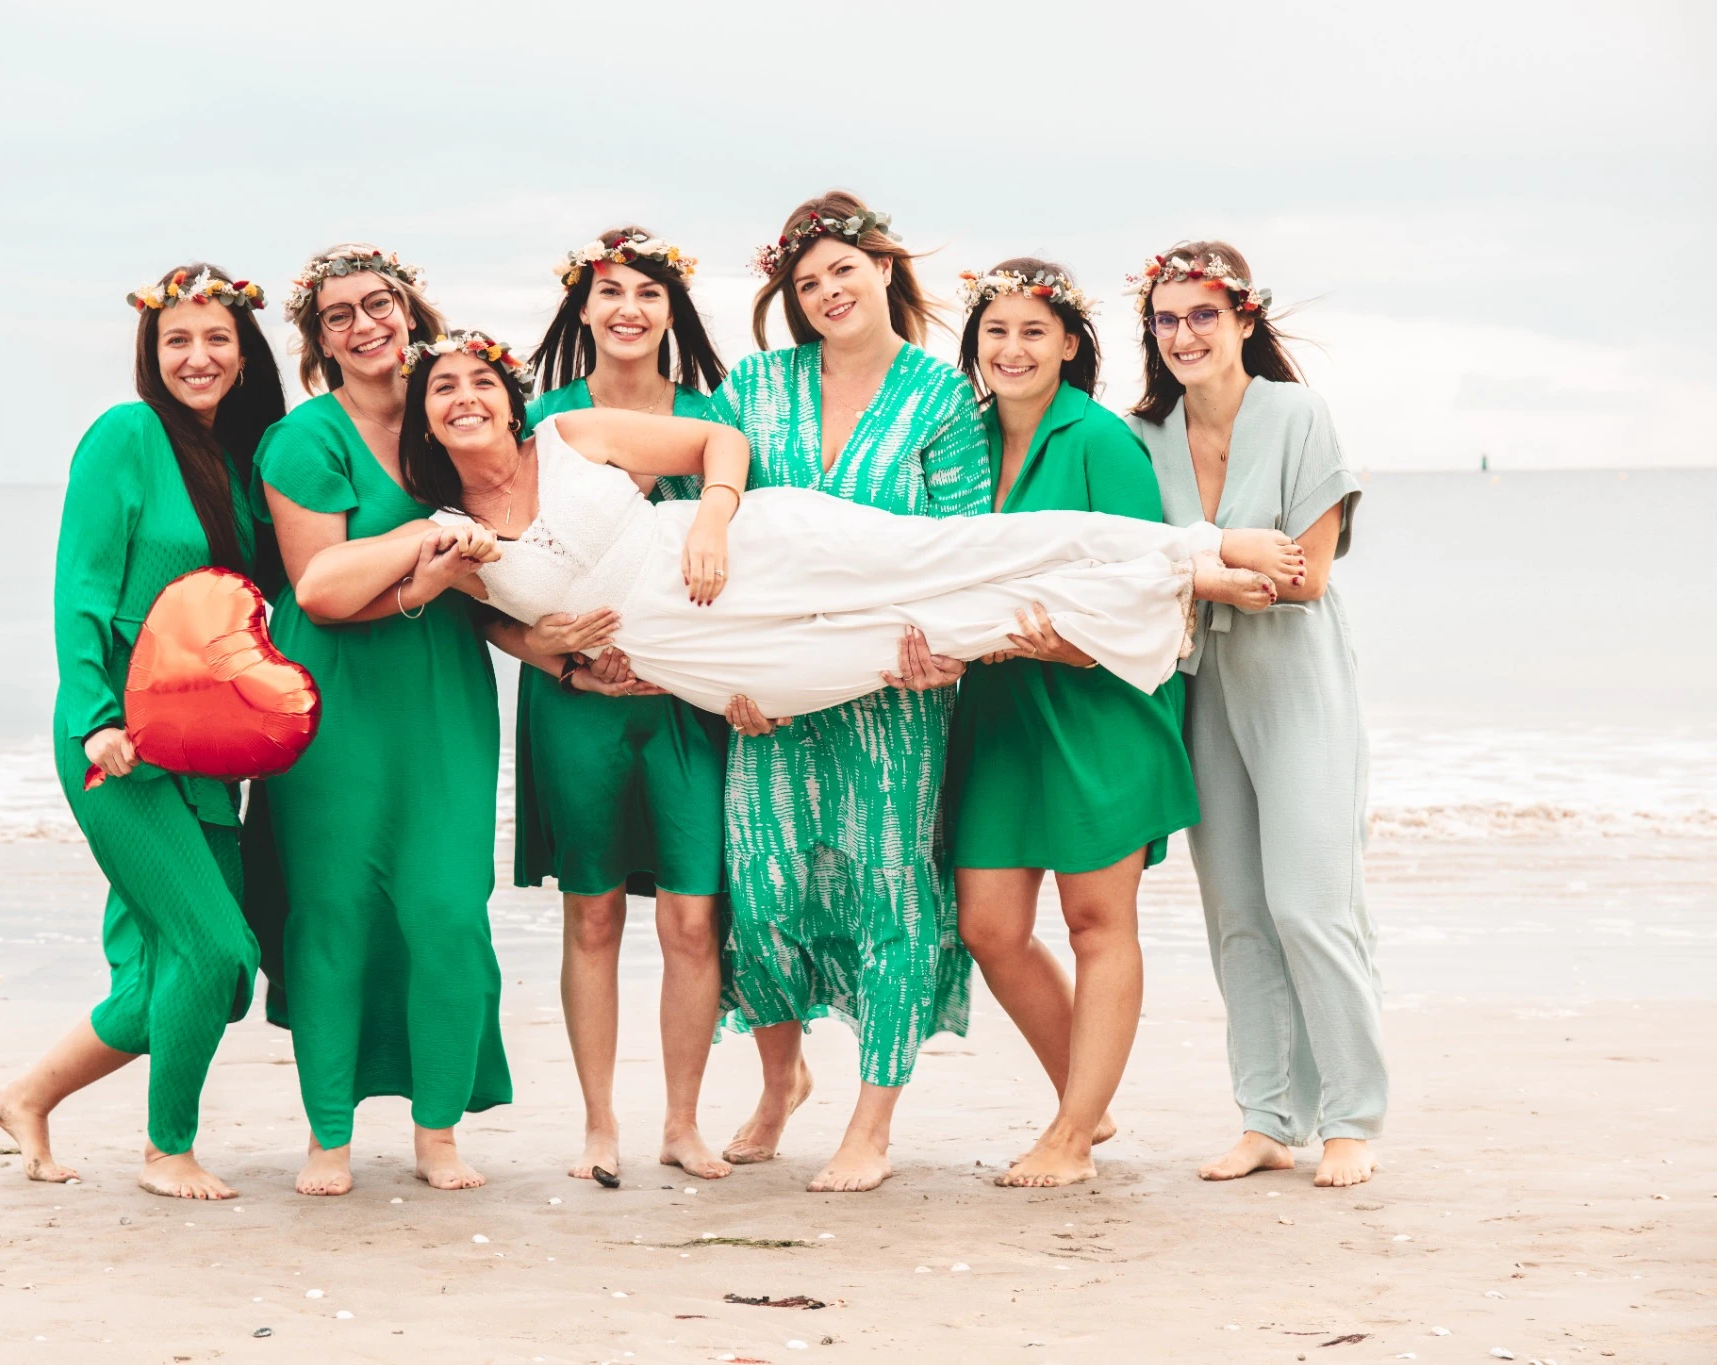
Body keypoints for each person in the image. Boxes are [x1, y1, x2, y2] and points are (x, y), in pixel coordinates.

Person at [334, 314, 1302, 1206]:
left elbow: (720, 445)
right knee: (928, 641)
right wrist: (561, 660)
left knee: (943, 564)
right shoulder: (451, 529)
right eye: (440, 389)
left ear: (510, 394)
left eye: (478, 381)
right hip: (706, 663)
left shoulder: (572, 437)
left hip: (742, 556)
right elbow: (454, 620)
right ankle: (1166, 598)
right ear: (422, 415)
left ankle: (1195, 557)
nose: (463, 398)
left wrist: (713, 516)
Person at [0, 264, 285, 1199]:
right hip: (120, 749)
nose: (197, 358)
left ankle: (26, 1095)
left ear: (244, 353)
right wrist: (94, 721)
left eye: (216, 339)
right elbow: (80, 591)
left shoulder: (241, 462)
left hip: (203, 747)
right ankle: (169, 1149)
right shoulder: (126, 435)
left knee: (201, 974)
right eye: (177, 342)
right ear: (152, 356)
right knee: (217, 950)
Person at [1125, 241, 1387, 1189]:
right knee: (1236, 910)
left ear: (1242, 319)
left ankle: (1354, 1117)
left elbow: (1306, 578)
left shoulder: (1298, 415)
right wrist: (1230, 572)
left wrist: (1203, 576)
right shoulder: (1140, 436)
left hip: (1297, 680)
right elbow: (1142, 573)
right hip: (1196, 689)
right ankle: (1267, 1117)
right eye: (1167, 318)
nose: (1185, 333)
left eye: (1203, 314)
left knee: (1312, 905)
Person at [944, 260, 1204, 1188]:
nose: (1011, 350)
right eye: (995, 332)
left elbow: (1148, 589)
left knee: (1098, 920)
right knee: (988, 926)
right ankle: (1082, 1104)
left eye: (1032, 332)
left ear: (1068, 345)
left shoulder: (1099, 440)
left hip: (1098, 706)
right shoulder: (959, 438)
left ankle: (1070, 1132)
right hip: (1001, 710)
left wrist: (1061, 646)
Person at [256, 244, 508, 1195]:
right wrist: (419, 545)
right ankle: (328, 1132)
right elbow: (320, 590)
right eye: (338, 317)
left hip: (443, 692)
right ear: (318, 341)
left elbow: (513, 539)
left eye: (380, 305)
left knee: (446, 909)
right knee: (334, 912)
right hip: (330, 698)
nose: (365, 326)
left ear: (412, 311)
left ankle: (438, 1127)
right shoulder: (304, 440)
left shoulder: (452, 416)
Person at [514, 227, 735, 1184]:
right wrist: (554, 661)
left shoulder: (712, 419)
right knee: (592, 912)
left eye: (649, 293)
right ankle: (599, 1125)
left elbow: (755, 559)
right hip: (578, 700)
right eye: (609, 293)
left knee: (693, 917)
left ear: (672, 312)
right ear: (584, 310)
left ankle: (683, 1122)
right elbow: (488, 569)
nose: (628, 310)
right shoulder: (542, 421)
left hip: (688, 697)